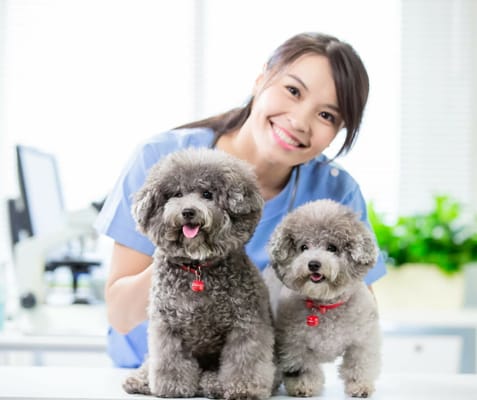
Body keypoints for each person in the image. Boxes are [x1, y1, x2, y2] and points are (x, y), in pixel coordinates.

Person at [95, 32, 386, 368]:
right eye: (293, 91)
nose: (299, 121)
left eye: (327, 116)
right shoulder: (160, 160)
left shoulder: (335, 191)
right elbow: (120, 315)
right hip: (154, 377)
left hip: (252, 383)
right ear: (262, 78)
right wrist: (187, 255)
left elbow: (361, 315)